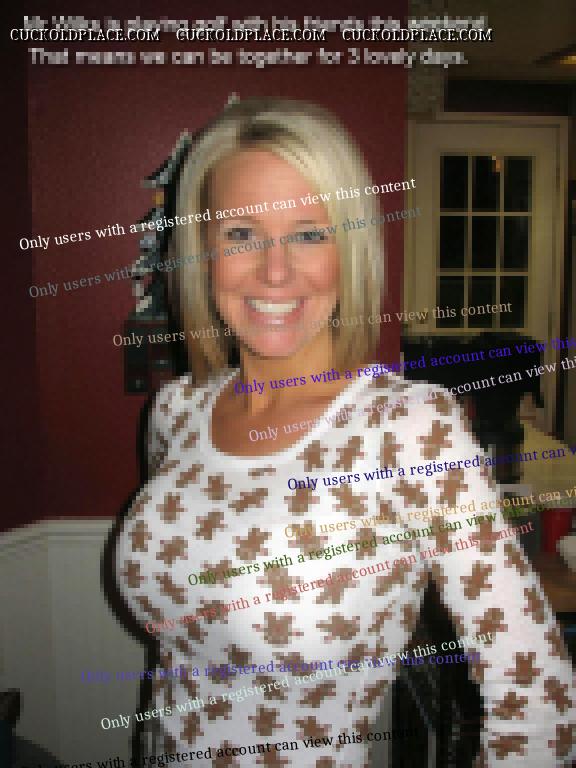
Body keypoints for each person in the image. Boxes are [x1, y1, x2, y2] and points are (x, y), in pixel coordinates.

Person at [116, 99, 574, 767]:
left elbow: (539, 698)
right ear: (202, 253)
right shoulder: (177, 412)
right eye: (241, 233)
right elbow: (175, 667)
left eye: (309, 233)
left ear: (350, 250)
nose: (275, 271)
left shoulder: (409, 429)